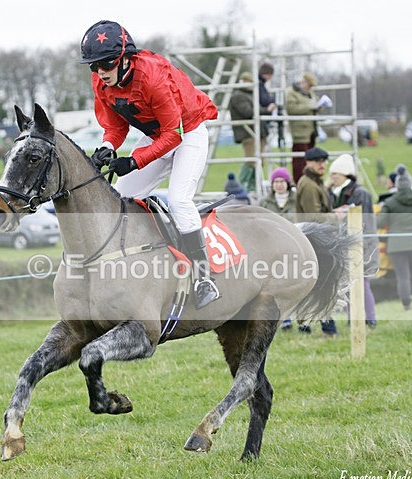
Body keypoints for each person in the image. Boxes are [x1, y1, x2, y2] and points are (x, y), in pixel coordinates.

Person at [81, 20, 219, 309]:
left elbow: (174, 135)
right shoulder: (102, 82)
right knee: (121, 197)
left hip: (189, 133)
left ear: (125, 58)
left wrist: (134, 161)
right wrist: (107, 147)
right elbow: (115, 127)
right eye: (94, 66)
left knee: (179, 200)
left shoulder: (153, 77)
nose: (101, 72)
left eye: (106, 64)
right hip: (158, 135)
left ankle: (204, 279)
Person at [327, 153, 379, 329]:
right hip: (346, 243)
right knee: (349, 283)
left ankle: (369, 319)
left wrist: (344, 214)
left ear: (345, 174)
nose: (333, 177)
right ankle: (353, 318)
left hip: (361, 243)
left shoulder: (360, 193)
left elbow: (363, 220)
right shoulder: (337, 192)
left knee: (362, 282)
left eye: (336, 174)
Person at [294, 147, 340, 336]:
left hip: (315, 240)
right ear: (308, 163)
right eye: (318, 161)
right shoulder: (310, 185)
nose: (322, 165)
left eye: (324, 161)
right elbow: (313, 217)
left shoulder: (314, 182)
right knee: (320, 284)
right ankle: (325, 327)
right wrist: (336, 217)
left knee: (316, 284)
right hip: (314, 241)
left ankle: (309, 326)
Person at [377, 164, 412, 311]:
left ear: (398, 185)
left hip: (396, 245)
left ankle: (407, 305)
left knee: (402, 276)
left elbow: (379, 222)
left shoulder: (390, 202)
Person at [228, 71, 275, 193]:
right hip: (248, 133)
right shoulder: (239, 96)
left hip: (257, 132)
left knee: (259, 161)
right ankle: (242, 186)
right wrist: (267, 110)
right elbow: (248, 112)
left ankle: (252, 187)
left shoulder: (249, 95)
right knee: (251, 160)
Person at [285, 72, 319, 183]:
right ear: (303, 82)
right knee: (300, 160)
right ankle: (299, 182)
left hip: (311, 131)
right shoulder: (291, 93)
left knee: (311, 158)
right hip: (299, 132)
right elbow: (291, 109)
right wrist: (310, 106)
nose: (310, 88)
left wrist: (319, 106)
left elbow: (315, 104)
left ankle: (310, 180)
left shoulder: (309, 93)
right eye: (309, 85)